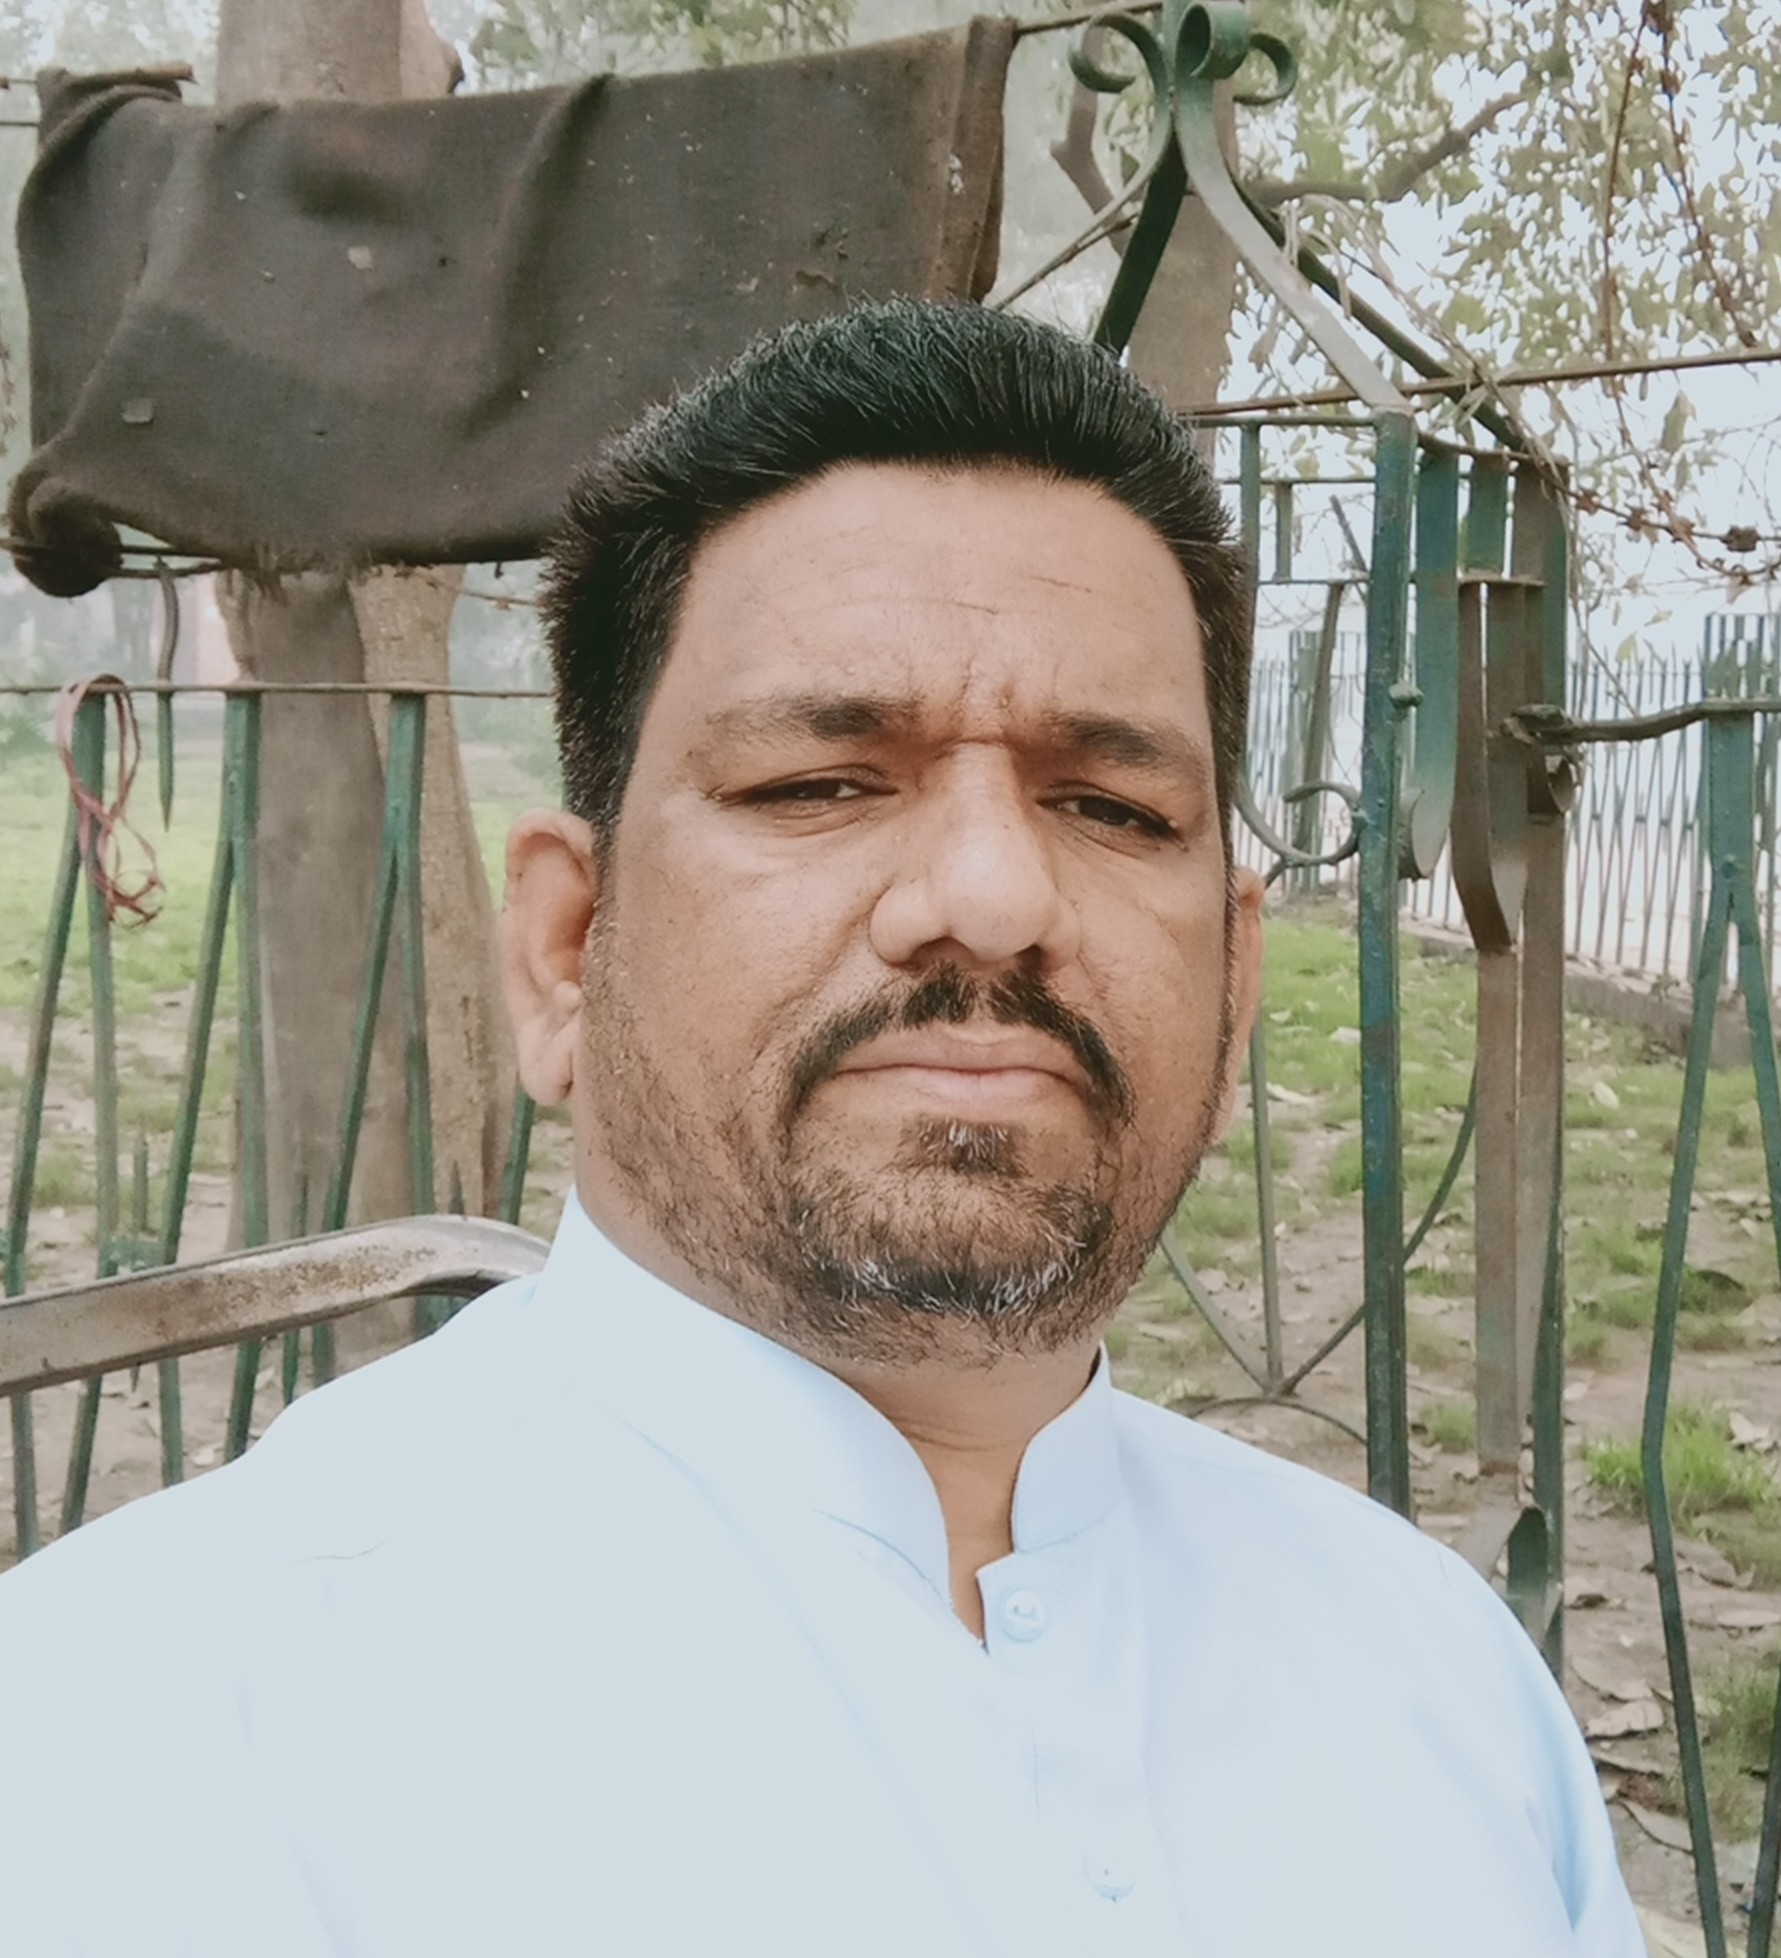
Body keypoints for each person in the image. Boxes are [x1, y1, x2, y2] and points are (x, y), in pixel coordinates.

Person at [0, 301, 1642, 1956]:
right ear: (567, 948)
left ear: (1230, 987)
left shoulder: (1438, 1682)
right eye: (819, 784)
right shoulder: (140, 1745)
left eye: (1110, 805)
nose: (991, 894)